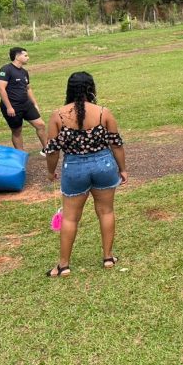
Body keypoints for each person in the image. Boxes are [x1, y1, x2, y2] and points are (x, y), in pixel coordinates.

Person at [44, 72, 127, 277]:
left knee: (70, 218)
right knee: (106, 212)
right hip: (104, 164)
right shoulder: (103, 112)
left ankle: (64, 265)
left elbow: (52, 151)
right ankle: (108, 257)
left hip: (74, 167)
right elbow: (116, 144)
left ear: (69, 89)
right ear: (91, 89)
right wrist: (122, 169)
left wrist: (50, 171)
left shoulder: (58, 115)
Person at [0, 46, 48, 154]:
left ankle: (47, 149)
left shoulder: (24, 72)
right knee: (17, 131)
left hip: (26, 104)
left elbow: (28, 88)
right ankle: (21, 155)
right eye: (25, 55)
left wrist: (34, 103)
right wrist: (9, 107)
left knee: (41, 125)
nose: (28, 57)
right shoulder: (5, 70)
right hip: (13, 106)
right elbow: (1, 89)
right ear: (17, 56)